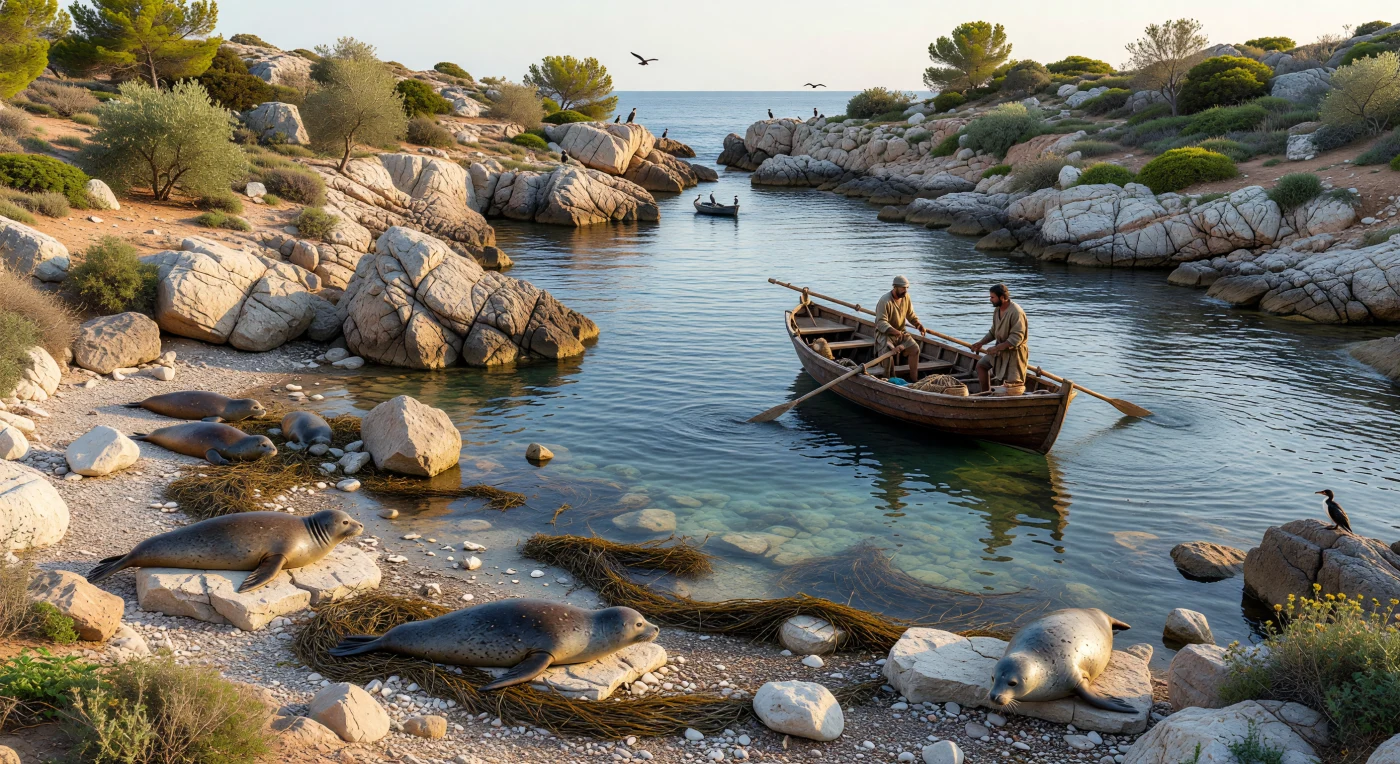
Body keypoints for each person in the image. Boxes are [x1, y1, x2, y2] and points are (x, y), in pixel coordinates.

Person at [969, 284, 1028, 394]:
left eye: (992, 297)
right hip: (1000, 351)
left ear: (1002, 297)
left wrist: (996, 348)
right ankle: (985, 394)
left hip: (1014, 355)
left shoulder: (1016, 312)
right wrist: (981, 343)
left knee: (1013, 385)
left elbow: (1016, 338)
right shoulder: (997, 310)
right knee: (981, 365)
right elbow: (993, 332)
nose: (990, 299)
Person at [873, 275, 926, 382]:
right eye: (903, 288)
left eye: (906, 288)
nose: (905, 291)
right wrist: (894, 331)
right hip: (885, 335)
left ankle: (914, 379)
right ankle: (888, 380)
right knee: (888, 355)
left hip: (901, 333)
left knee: (915, 349)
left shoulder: (906, 297)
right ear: (895, 287)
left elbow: (910, 314)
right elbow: (881, 323)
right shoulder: (885, 301)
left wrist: (918, 324)